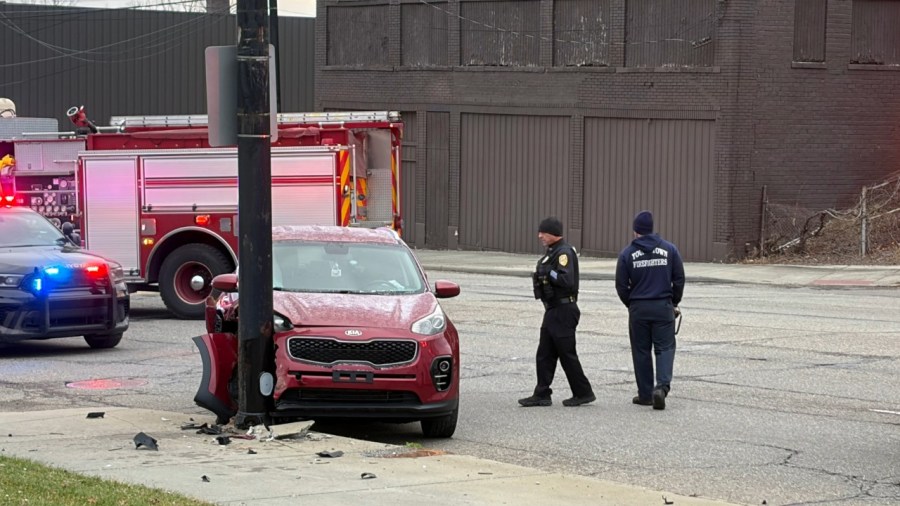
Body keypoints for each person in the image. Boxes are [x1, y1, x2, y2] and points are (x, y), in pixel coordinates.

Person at [519, 217, 596, 408]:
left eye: (543, 233)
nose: (540, 236)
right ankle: (542, 393)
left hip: (564, 309)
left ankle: (583, 392)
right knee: (545, 352)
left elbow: (566, 280)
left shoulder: (565, 253)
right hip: (553, 309)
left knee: (566, 353)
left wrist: (550, 272)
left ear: (553, 233)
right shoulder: (551, 253)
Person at [615, 211, 685, 410]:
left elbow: (621, 285)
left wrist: (632, 303)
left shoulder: (627, 254)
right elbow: (679, 278)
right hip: (663, 307)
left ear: (635, 231)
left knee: (641, 351)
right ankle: (661, 388)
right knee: (664, 348)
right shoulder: (670, 250)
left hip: (639, 309)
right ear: (652, 229)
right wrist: (674, 301)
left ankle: (645, 395)